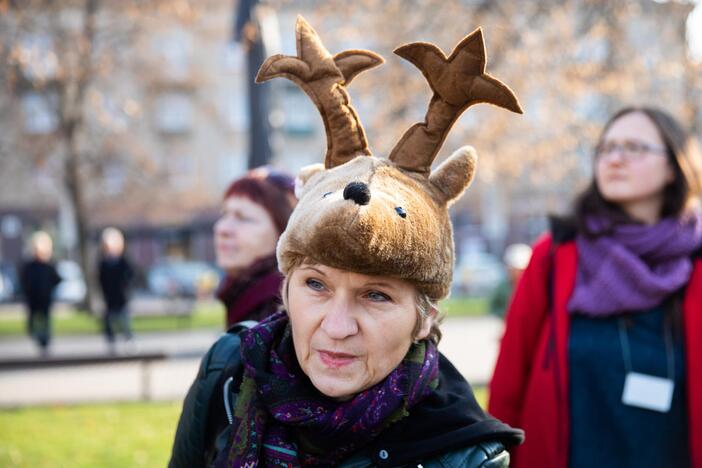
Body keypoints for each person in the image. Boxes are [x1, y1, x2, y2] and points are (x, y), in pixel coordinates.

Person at [169, 17, 524, 467]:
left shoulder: (465, 455)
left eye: (376, 295)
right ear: (285, 290)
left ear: (424, 319)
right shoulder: (228, 372)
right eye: (315, 284)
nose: (337, 327)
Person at [489, 106, 702, 468]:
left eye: (634, 147)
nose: (614, 159)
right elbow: (510, 381)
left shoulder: (695, 259)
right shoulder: (555, 254)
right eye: (606, 148)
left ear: (673, 166)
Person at [214, 166, 296, 328]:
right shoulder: (241, 294)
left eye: (242, 218)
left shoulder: (283, 311)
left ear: (284, 232)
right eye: (224, 214)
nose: (222, 229)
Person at [19, 231, 62, 355]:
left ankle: (45, 340)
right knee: (33, 320)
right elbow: (24, 279)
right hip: (33, 299)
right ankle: (36, 335)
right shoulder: (30, 266)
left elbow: (57, 279)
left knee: (45, 320)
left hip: (45, 298)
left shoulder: (49, 266)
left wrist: (49, 288)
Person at [98, 227, 134, 350]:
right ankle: (111, 340)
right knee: (109, 320)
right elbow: (101, 280)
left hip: (121, 297)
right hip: (110, 297)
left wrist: (126, 289)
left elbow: (130, 276)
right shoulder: (103, 263)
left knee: (124, 320)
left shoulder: (123, 262)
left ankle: (128, 339)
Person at [489, 243, 532, 318]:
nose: (517, 273)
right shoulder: (503, 287)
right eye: (514, 270)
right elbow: (494, 307)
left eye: (520, 270)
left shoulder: (532, 287)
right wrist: (504, 315)